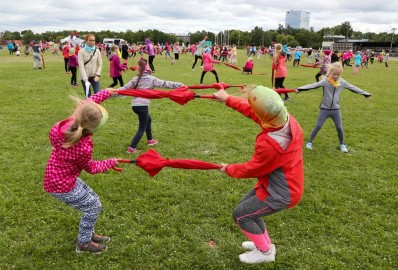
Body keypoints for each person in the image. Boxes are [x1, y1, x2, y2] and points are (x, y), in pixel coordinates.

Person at [212, 85, 304, 264]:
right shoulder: (286, 120)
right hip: (275, 183)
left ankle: (265, 252)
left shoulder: (272, 145)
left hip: (282, 193)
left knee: (241, 215)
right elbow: (255, 113)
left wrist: (228, 168)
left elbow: (252, 169)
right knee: (247, 210)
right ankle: (263, 244)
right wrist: (228, 99)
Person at [43, 89, 122, 254]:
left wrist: (107, 92)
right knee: (93, 207)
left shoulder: (67, 125)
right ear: (93, 129)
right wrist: (110, 162)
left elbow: (88, 103)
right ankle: (83, 243)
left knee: (93, 199)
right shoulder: (83, 147)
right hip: (61, 184)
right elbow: (92, 168)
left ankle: (89, 234)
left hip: (60, 177)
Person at [295, 62, 372, 153]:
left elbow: (353, 87)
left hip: (336, 109)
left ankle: (342, 144)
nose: (336, 76)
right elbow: (313, 85)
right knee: (318, 125)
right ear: (329, 73)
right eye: (334, 74)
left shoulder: (342, 82)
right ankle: (309, 142)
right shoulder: (325, 81)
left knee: (339, 127)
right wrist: (300, 89)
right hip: (324, 109)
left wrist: (365, 93)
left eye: (338, 74)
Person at [118, 57, 184, 153]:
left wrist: (113, 92)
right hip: (142, 106)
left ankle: (150, 140)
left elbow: (124, 88)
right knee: (142, 127)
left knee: (148, 120)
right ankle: (132, 148)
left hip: (135, 106)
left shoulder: (135, 79)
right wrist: (179, 85)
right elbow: (165, 83)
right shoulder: (151, 79)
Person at [78, 34, 103, 98]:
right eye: (90, 40)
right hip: (85, 77)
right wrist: (85, 78)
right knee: (88, 96)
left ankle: (96, 107)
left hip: (94, 76)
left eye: (93, 40)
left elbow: (100, 64)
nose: (92, 42)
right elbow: (81, 66)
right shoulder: (81, 51)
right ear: (86, 41)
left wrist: (97, 75)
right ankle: (88, 107)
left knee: (98, 95)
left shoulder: (97, 51)